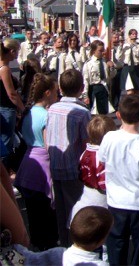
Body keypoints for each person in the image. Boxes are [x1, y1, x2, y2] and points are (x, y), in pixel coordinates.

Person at [98, 95, 139, 265]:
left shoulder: (109, 137)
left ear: (118, 115)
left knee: (116, 243)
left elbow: (101, 160)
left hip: (115, 202)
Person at [46, 69, 92, 247]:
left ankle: (65, 245)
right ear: (81, 88)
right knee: (76, 211)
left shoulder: (52, 108)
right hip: (73, 168)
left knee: (62, 211)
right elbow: (87, 142)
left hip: (56, 165)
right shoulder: (81, 112)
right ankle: (76, 247)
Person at [14, 73, 59, 250]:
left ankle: (37, 245)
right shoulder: (46, 116)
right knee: (46, 214)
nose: (57, 95)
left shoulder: (30, 112)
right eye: (55, 92)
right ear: (47, 93)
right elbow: (49, 146)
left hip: (28, 161)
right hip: (42, 165)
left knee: (34, 214)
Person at [70, 115, 117, 225]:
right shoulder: (102, 157)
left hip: (87, 193)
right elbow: (103, 184)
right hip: (100, 199)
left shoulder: (85, 153)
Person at [0, 38, 26, 169]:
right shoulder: (4, 69)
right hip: (6, 109)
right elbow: (11, 94)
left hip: (4, 108)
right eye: (16, 52)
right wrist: (23, 108)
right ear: (11, 51)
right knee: (6, 143)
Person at [82, 41, 116, 116]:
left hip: (104, 88)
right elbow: (85, 80)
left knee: (103, 114)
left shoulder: (105, 62)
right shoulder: (89, 63)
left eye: (103, 50)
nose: (103, 52)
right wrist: (85, 95)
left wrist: (112, 67)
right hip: (94, 89)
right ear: (94, 51)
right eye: (100, 51)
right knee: (94, 114)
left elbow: (111, 76)